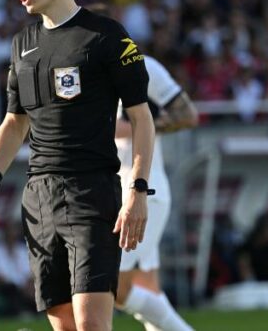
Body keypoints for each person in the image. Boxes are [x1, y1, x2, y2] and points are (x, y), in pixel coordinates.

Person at [0, 0, 155, 331]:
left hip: (92, 192)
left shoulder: (106, 36)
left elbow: (141, 118)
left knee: (91, 325)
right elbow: (15, 123)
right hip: (39, 197)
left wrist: (138, 190)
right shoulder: (22, 44)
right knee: (63, 326)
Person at [113, 55, 198, 331]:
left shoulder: (141, 65)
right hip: (115, 191)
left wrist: (141, 126)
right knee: (146, 286)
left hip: (142, 190)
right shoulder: (79, 67)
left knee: (111, 285)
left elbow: (187, 115)